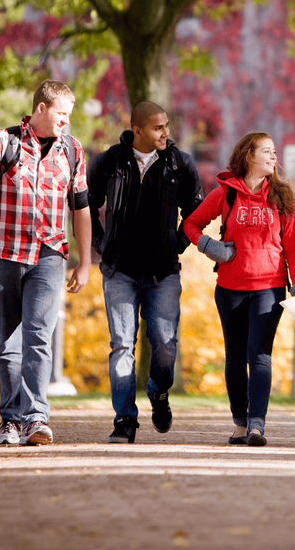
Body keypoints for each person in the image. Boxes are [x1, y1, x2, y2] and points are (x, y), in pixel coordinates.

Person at [0, 80, 92, 447]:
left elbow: (80, 207)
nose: (66, 122)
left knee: (39, 336)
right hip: (4, 254)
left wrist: (84, 262)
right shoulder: (1, 143)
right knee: (8, 345)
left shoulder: (72, 150)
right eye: (61, 114)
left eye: (69, 116)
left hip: (50, 255)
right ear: (41, 108)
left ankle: (36, 418)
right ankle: (11, 419)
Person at [88, 101, 203, 443]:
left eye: (167, 126)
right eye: (158, 128)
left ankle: (158, 391)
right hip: (119, 272)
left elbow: (198, 210)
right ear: (137, 130)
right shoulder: (109, 162)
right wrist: (100, 243)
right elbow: (82, 204)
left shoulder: (179, 164)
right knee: (122, 346)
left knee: (166, 346)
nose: (166, 133)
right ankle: (125, 419)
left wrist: (177, 243)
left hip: (163, 273)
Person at [184, 132, 295, 447]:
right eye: (266, 151)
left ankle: (257, 425)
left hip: (269, 287)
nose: (273, 156)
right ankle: (240, 422)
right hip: (230, 288)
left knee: (260, 354)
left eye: (274, 151)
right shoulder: (225, 194)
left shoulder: (282, 197)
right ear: (249, 155)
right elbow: (190, 224)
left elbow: (292, 248)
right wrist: (210, 247)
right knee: (235, 358)